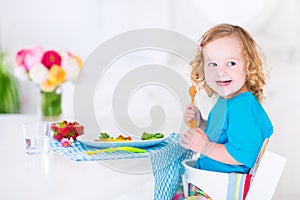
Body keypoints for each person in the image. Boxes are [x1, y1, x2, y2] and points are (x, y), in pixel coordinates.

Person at [174, 23, 273, 199]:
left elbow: (245, 155)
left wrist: (204, 146)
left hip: (223, 190)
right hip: (208, 183)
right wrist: (201, 123)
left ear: (248, 66)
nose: (221, 71)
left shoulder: (243, 110)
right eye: (212, 64)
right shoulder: (227, 101)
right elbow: (220, 134)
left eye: (231, 63)